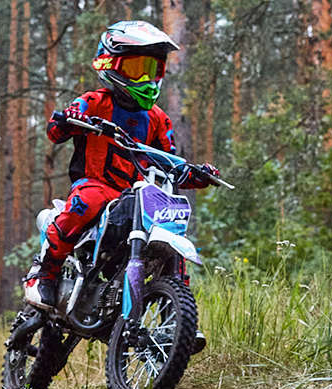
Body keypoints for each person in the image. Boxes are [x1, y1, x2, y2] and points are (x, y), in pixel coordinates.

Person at [24, 20, 219, 309]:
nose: (144, 78)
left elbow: (170, 163)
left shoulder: (157, 118)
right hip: (95, 184)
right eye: (134, 69)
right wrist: (68, 120)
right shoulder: (93, 102)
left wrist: (196, 173)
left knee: (172, 223)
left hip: (135, 196)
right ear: (111, 66)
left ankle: (175, 310)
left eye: (151, 70)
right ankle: (44, 273)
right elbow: (55, 132)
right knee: (87, 201)